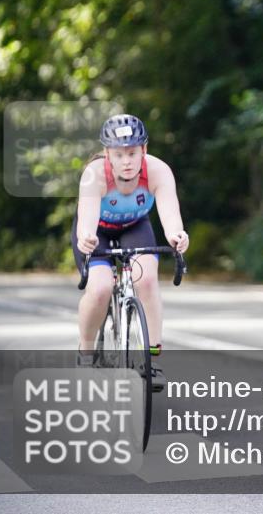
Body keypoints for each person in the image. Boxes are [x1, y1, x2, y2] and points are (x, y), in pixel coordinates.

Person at [72, 114, 189, 389]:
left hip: (134, 226)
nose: (126, 161)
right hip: (97, 231)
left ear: (144, 151)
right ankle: (86, 351)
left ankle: (153, 358)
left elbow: (171, 216)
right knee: (100, 289)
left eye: (133, 153)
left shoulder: (159, 172)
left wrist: (177, 236)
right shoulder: (95, 175)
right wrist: (86, 238)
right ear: (107, 154)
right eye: (119, 154)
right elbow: (86, 220)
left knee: (147, 279)